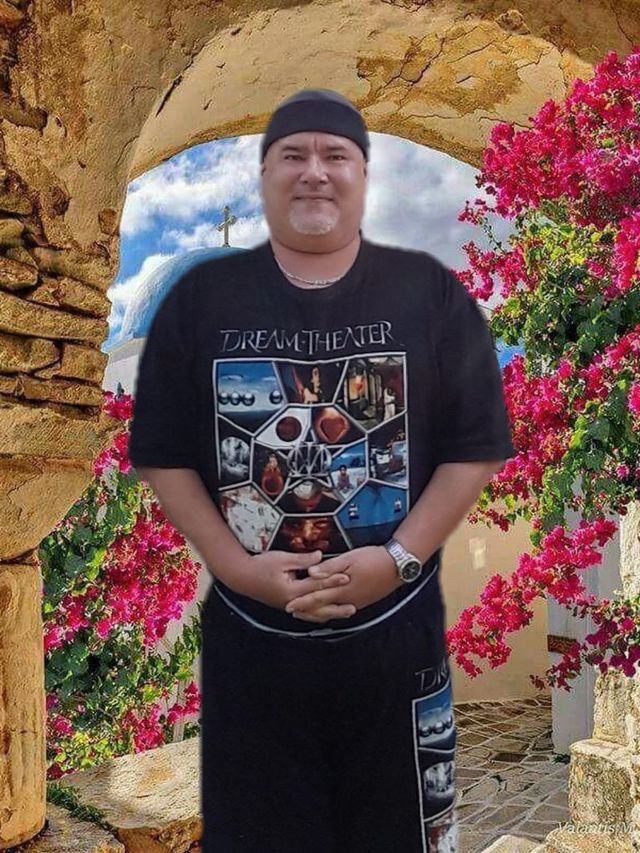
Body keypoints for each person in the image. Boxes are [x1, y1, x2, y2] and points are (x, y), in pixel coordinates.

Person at [127, 87, 516, 853]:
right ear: (264, 175)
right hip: (253, 663)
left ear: (363, 175)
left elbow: (474, 446)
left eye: (335, 154)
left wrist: (395, 559)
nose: (314, 171)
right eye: (292, 154)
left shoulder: (430, 294)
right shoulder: (199, 300)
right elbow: (166, 455)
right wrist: (239, 568)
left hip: (395, 657)